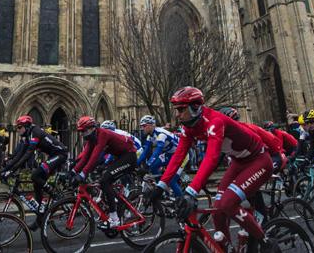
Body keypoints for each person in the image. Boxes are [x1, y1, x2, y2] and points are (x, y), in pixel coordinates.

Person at [148, 87, 272, 248]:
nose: (177, 114)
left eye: (180, 109)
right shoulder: (189, 127)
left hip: (259, 161)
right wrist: (161, 186)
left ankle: (266, 243)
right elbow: (178, 156)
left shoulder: (215, 121)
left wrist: (192, 192)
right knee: (218, 209)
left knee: (227, 203)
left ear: (195, 107)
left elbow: (211, 157)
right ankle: (225, 247)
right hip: (238, 162)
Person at [0, 114, 68, 230]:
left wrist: (13, 170)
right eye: (17, 127)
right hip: (53, 156)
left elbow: (28, 154)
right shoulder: (29, 135)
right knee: (37, 185)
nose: (18, 130)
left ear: (26, 126)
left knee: (35, 175)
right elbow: (19, 155)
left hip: (60, 154)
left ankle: (53, 192)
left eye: (19, 127)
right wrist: (4, 169)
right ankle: (40, 219)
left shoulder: (35, 132)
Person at [73, 116, 137, 229]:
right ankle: (118, 204)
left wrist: (83, 173)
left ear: (92, 128)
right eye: (81, 132)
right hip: (119, 157)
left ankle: (114, 219)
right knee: (103, 180)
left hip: (129, 156)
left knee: (105, 180)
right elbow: (85, 156)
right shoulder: (92, 139)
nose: (82, 134)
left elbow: (94, 156)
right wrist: (73, 171)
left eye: (84, 131)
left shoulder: (102, 134)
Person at [137, 115, 182, 196]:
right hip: (170, 154)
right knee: (153, 166)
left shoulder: (161, 134)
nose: (142, 128)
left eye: (144, 126)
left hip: (181, 155)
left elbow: (158, 151)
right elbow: (145, 152)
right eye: (141, 126)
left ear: (151, 125)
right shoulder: (150, 136)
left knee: (171, 180)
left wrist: (147, 165)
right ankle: (161, 188)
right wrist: (136, 164)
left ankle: (184, 203)